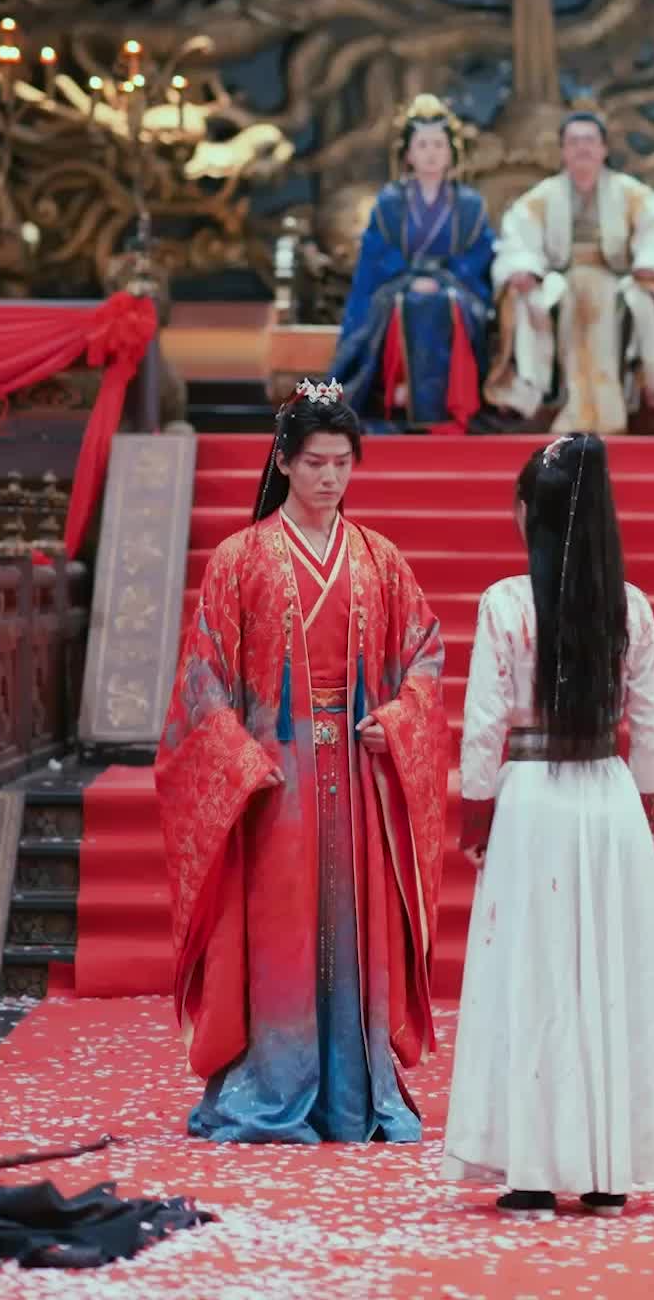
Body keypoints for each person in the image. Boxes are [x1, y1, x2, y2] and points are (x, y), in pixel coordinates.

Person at [154, 380, 450, 1144]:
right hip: (275, 777)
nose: (329, 477)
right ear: (284, 462)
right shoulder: (239, 558)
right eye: (315, 462)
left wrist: (397, 720)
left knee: (353, 930)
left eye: (342, 463)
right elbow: (202, 680)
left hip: (356, 771)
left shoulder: (380, 560)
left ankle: (353, 1092)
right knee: (280, 931)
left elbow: (425, 652)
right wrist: (238, 756)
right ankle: (273, 1083)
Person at [442, 434, 654, 1213]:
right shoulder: (632, 608)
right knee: (606, 973)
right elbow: (652, 729)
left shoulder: (505, 604)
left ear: (527, 515)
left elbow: (484, 726)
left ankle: (535, 1170)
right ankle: (608, 1173)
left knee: (534, 971)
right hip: (608, 796)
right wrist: (645, 808)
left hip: (532, 800)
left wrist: (477, 814)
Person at [484, 109, 654, 434]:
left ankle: (636, 399)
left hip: (617, 281)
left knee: (642, 298)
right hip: (560, 283)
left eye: (590, 141)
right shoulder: (541, 198)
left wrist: (648, 262)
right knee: (530, 298)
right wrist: (524, 268)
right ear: (562, 150)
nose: (582, 148)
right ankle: (548, 401)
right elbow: (518, 242)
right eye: (574, 142)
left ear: (604, 149)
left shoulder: (632, 193)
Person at [331, 93, 495, 429]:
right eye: (422, 145)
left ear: (451, 152)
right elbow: (377, 256)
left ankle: (450, 400)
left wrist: (442, 278)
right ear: (408, 154)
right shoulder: (389, 202)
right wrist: (411, 277)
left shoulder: (470, 205)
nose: (431, 153)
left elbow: (479, 256)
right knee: (407, 302)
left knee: (445, 302)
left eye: (438, 145)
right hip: (397, 285)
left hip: (456, 287)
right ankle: (397, 396)